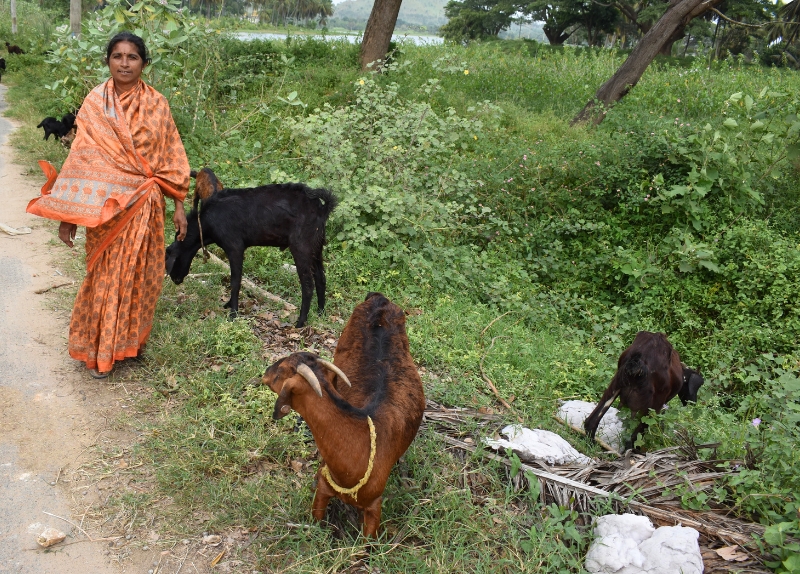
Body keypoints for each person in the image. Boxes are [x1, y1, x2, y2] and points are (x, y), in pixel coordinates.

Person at [27, 32, 190, 378]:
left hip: (145, 205)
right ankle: (101, 351)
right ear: (108, 61)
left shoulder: (157, 104)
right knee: (104, 277)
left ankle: (126, 344)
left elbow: (172, 156)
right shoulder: (95, 103)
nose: (125, 63)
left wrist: (178, 204)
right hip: (106, 210)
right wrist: (68, 216)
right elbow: (81, 162)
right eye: (118, 56)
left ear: (144, 63)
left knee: (138, 277)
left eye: (132, 57)